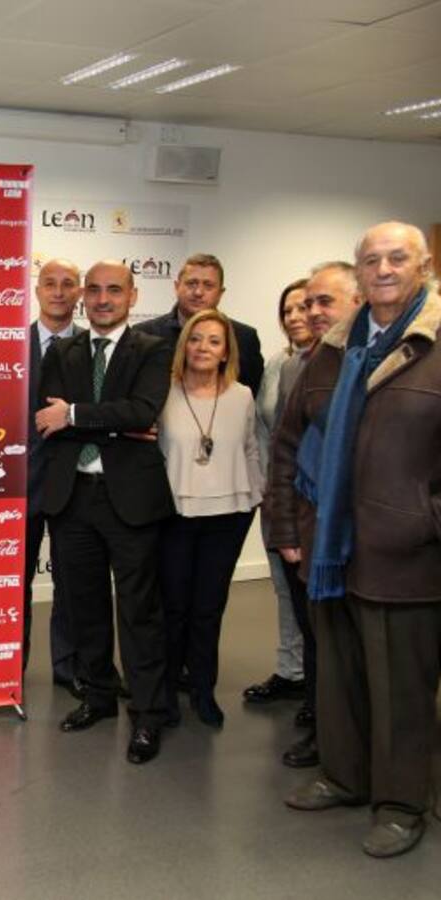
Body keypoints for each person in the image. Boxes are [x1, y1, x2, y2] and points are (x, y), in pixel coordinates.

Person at [273, 222, 441, 858]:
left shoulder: (433, 344)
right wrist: (289, 528)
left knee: (401, 689)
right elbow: (289, 443)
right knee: (338, 675)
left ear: (423, 267)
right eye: (371, 260)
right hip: (328, 549)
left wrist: (424, 520)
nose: (384, 269)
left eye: (397, 258)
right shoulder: (333, 349)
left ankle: (400, 805)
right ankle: (344, 776)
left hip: (407, 555)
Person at [35, 260, 173, 764]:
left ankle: (148, 713)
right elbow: (47, 418)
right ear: (82, 297)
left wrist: (74, 414)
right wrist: (111, 424)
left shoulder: (153, 349)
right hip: (72, 497)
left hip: (130, 499)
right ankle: (98, 696)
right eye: (92, 290)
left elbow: (142, 410)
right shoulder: (64, 350)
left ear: (132, 296)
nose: (101, 299)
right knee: (84, 606)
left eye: (114, 290)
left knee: (139, 612)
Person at [265, 263, 362, 769]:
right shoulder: (306, 365)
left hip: (372, 533)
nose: (312, 312)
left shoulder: (385, 360)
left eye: (325, 302)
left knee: (365, 650)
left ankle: (364, 746)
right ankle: (327, 736)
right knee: (322, 641)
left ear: (359, 302)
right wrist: (286, 530)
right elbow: (284, 451)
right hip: (312, 531)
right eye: (307, 304)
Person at [157, 309, 264, 728]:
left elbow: (251, 448)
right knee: (173, 609)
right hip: (175, 515)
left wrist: (255, 496)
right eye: (196, 338)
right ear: (184, 345)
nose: (203, 347)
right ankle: (165, 694)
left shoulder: (243, 396)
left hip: (228, 517)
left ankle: (203, 691)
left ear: (226, 352)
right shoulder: (163, 392)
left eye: (214, 341)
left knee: (208, 608)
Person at [243, 279, 312, 708]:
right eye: (288, 311)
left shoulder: (338, 364)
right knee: (285, 591)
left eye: (305, 307)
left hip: (313, 501)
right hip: (278, 498)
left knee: (314, 598)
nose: (296, 317)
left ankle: (321, 687)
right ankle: (292, 671)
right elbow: (263, 431)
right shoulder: (276, 364)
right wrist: (266, 489)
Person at [24, 258, 84, 689]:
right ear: (37, 290)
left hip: (73, 484)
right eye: (50, 283)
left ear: (79, 291)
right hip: (16, 486)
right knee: (13, 585)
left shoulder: (94, 350)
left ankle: (70, 669)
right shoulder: (10, 343)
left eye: (68, 284)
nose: (58, 292)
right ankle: (8, 668)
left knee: (72, 584)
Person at [134, 253, 264, 398]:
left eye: (208, 285)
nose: (198, 292)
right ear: (177, 287)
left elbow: (252, 396)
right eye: (191, 283)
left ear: (220, 293)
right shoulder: (144, 334)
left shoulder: (244, 338)